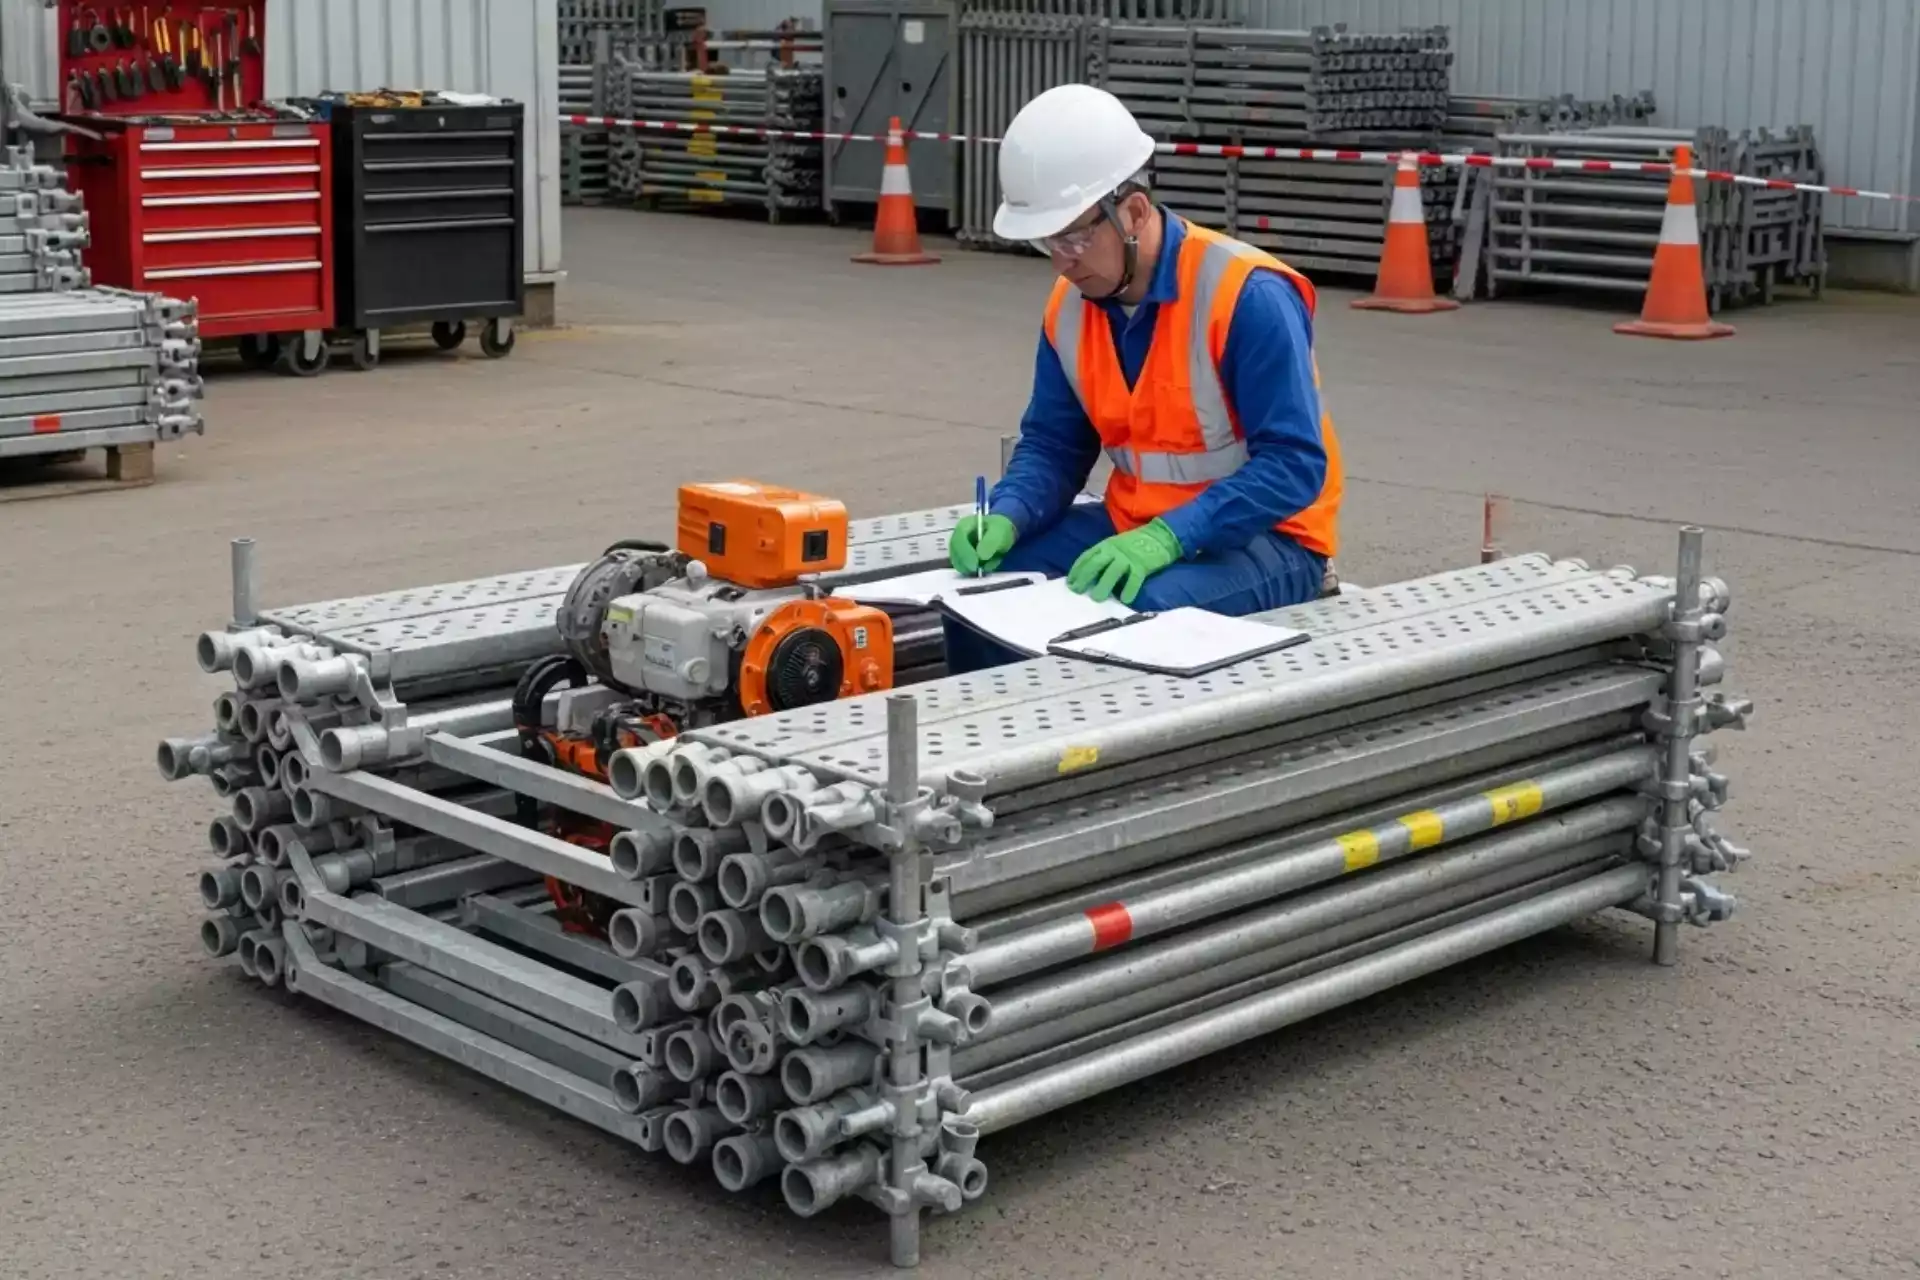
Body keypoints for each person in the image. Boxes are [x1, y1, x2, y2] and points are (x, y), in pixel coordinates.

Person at [944, 83, 1344, 674]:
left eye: (1074, 236)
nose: (1062, 260)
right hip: (1134, 527)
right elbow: (1054, 445)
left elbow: (1294, 466)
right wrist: (1010, 512)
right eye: (1046, 241)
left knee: (1133, 617)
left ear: (1133, 212)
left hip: (1270, 540)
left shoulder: (1248, 296)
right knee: (981, 594)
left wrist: (1169, 537)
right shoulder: (1070, 307)